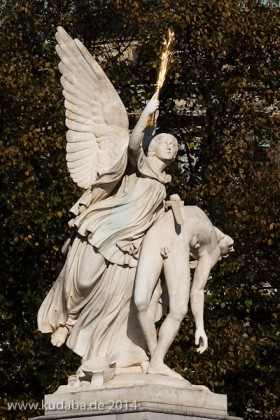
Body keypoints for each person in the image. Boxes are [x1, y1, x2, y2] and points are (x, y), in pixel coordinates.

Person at [38, 94, 179, 377]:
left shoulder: (164, 185)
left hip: (132, 244)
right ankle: (67, 321)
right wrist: (145, 115)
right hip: (106, 225)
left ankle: (114, 352)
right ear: (152, 149)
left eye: (175, 145)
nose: (171, 146)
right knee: (82, 278)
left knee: (122, 298)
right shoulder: (141, 164)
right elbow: (133, 141)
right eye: (165, 141)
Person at [134, 206, 234, 379]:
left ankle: (155, 360)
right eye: (229, 250)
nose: (231, 250)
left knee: (142, 303)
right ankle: (156, 360)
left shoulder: (210, 231)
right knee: (163, 307)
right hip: (174, 239)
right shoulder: (214, 248)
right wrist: (200, 327)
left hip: (159, 232)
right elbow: (197, 290)